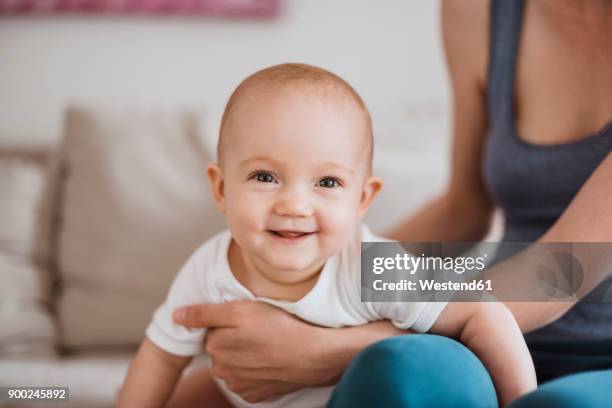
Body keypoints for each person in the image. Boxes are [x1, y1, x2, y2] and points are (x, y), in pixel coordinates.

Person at [170, 1, 612, 407]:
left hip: (542, 337)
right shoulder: (478, 10)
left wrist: (334, 344)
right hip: (481, 335)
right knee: (404, 373)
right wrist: (312, 291)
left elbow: (567, 267)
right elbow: (463, 208)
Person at [118, 63, 536, 408]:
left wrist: (520, 402)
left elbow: (484, 313)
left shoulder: (372, 266)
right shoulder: (208, 267)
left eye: (328, 183)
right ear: (222, 189)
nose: (294, 205)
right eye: (265, 176)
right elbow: (160, 355)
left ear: (362, 199)